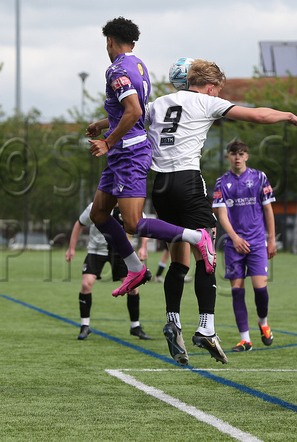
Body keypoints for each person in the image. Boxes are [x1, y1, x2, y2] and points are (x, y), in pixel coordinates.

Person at [145, 59, 297, 366]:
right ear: (211, 86)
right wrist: (287, 115)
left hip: (161, 188)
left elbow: (128, 116)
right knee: (206, 254)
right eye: (219, 89)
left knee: (178, 260)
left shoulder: (159, 103)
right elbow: (257, 114)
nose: (219, 93)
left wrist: (103, 130)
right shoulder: (206, 101)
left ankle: (173, 320)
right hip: (188, 182)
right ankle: (206, 327)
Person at [85, 17, 216, 300]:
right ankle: (135, 268)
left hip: (128, 154)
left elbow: (132, 112)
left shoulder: (116, 69)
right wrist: (103, 123)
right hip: (123, 153)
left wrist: (108, 141)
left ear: (109, 41)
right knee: (98, 214)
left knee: (132, 223)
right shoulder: (139, 65)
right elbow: (132, 111)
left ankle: (197, 237)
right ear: (133, 42)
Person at [212, 139, 277, 352]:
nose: (238, 157)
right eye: (234, 153)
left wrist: (272, 239)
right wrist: (235, 238)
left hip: (258, 243)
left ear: (246, 156)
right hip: (233, 245)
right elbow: (221, 215)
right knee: (237, 291)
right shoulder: (222, 182)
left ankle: (263, 321)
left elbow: (268, 210)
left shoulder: (260, 177)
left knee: (260, 288)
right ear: (228, 156)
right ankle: (245, 339)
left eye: (241, 153)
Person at [66, 202, 151, 341]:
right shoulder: (96, 206)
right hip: (96, 251)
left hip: (121, 252)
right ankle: (85, 326)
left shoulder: (128, 205)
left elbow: (145, 225)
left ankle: (135, 327)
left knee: (133, 288)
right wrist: (71, 248)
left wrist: (144, 247)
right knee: (86, 284)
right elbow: (79, 224)